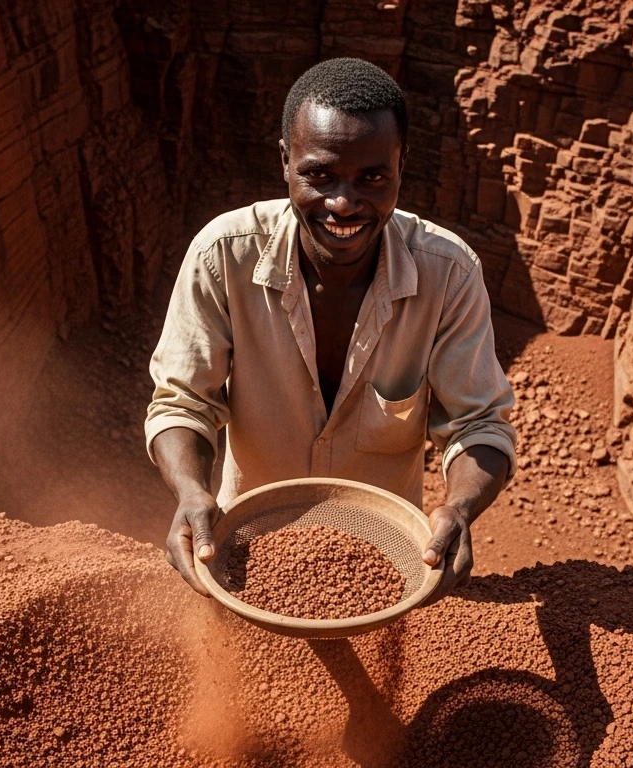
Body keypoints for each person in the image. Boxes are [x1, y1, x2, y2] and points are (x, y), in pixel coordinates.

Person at [145, 57, 516, 603]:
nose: (343, 203)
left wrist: (459, 508)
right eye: (318, 175)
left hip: (384, 571)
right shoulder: (222, 257)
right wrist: (191, 492)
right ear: (285, 162)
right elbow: (182, 404)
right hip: (246, 555)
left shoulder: (449, 274)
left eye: (372, 177)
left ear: (400, 166)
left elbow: (479, 423)